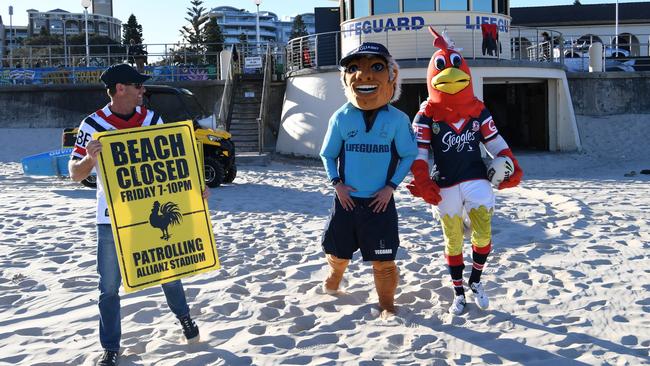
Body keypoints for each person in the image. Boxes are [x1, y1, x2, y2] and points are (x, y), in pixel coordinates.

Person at [68, 64, 206, 366]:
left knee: (168, 271)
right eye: (138, 86)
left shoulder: (152, 119)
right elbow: (74, 174)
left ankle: (185, 318)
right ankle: (111, 347)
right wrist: (90, 160)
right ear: (120, 89)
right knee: (107, 287)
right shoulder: (92, 124)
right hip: (110, 217)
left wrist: (197, 187)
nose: (143, 91)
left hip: (149, 209)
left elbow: (173, 162)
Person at [407, 28, 522, 315]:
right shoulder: (424, 116)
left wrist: (510, 163)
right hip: (444, 184)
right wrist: (422, 180)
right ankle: (458, 293)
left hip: (477, 179)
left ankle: (475, 281)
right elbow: (418, 154)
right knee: (453, 240)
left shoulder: (478, 110)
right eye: (442, 68)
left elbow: (496, 143)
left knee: (483, 235)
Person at [320, 42, 418, 318]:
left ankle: (386, 305)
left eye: (376, 67)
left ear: (391, 75)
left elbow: (408, 156)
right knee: (338, 255)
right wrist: (337, 184)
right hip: (347, 202)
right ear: (345, 77)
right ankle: (334, 279)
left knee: (384, 262)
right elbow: (327, 155)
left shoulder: (399, 120)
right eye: (354, 68)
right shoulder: (340, 117)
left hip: (380, 203)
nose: (363, 76)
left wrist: (391, 187)